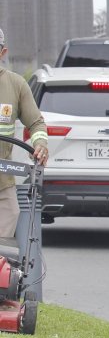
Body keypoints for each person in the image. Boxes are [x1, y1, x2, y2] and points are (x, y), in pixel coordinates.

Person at [0, 27, 50, 238]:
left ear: (2, 52)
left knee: (12, 212)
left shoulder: (15, 84)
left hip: (2, 183)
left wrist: (40, 145)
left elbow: (36, 122)